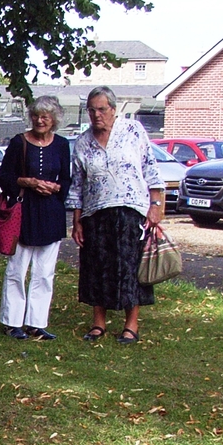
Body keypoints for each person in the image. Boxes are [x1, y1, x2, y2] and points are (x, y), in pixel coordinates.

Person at [67, 86, 164, 345]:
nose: (97, 115)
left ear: (113, 109)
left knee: (131, 267)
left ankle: (131, 324)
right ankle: (98, 322)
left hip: (131, 210)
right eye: (92, 110)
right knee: (97, 266)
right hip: (95, 212)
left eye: (102, 109)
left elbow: (151, 171)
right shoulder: (82, 142)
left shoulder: (133, 132)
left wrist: (156, 205)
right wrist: (76, 221)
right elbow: (78, 185)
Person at [0, 96, 71, 340]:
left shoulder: (61, 145)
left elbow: (67, 180)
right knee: (17, 269)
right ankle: (12, 321)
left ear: (54, 119)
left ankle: (36, 323)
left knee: (45, 272)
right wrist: (25, 182)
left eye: (45, 116)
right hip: (23, 212)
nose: (40, 120)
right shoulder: (19, 143)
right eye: (36, 115)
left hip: (51, 214)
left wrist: (56, 188)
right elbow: (4, 177)